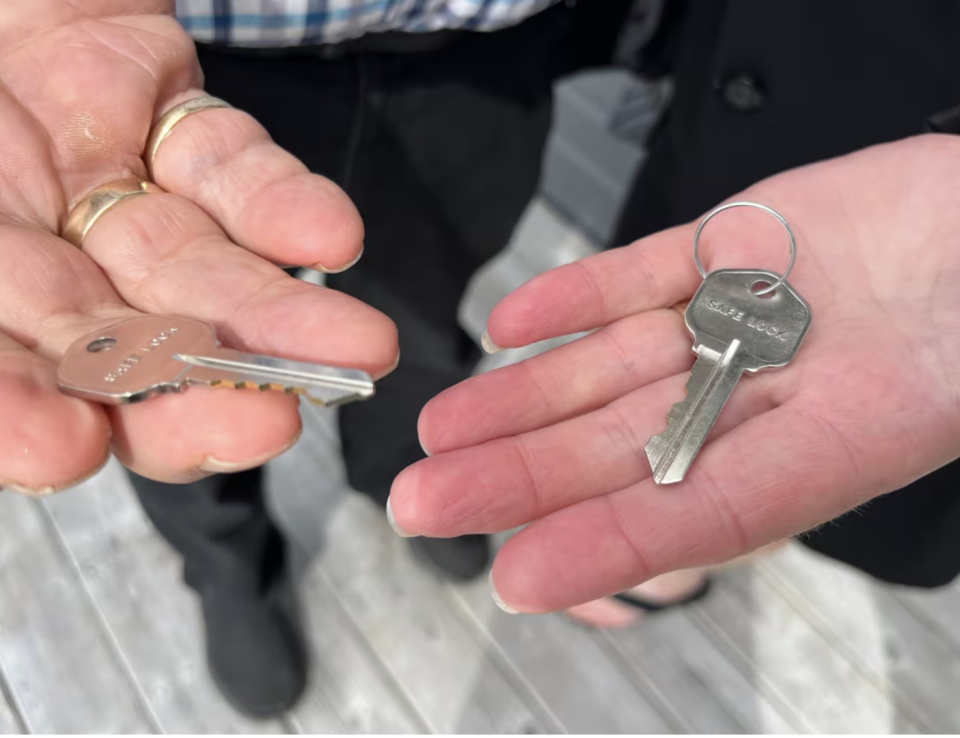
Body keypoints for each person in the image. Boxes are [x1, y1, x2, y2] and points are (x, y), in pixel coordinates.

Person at [2, 0, 960, 719]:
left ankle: (396, 475)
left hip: (484, 54)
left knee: (417, 322)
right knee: (167, 385)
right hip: (156, 60)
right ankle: (225, 564)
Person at [388, 0, 960, 622]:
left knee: (843, 442)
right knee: (669, 282)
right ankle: (680, 547)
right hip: (748, 76)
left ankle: (715, 546)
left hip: (915, 140)